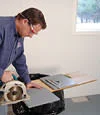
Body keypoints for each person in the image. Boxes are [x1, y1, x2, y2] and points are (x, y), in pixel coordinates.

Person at [0, 7, 47, 88]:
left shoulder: (19, 33)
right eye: (32, 31)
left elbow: (19, 58)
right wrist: (1, 74)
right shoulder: (2, 27)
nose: (31, 36)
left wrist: (27, 81)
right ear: (25, 21)